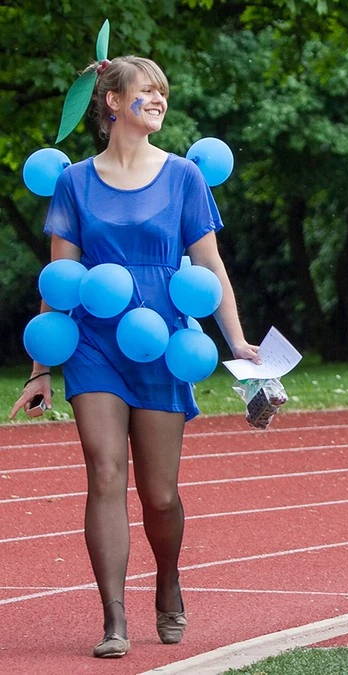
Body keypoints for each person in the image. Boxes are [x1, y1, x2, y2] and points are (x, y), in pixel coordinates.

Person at [8, 53, 259, 658]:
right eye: (147, 90)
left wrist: (239, 343)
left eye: (163, 92)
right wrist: (43, 368)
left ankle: (167, 578)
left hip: (163, 344)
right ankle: (113, 615)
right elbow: (59, 276)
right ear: (112, 103)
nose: (159, 99)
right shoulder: (73, 181)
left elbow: (210, 267)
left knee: (161, 494)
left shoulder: (184, 178)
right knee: (104, 470)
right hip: (94, 344)